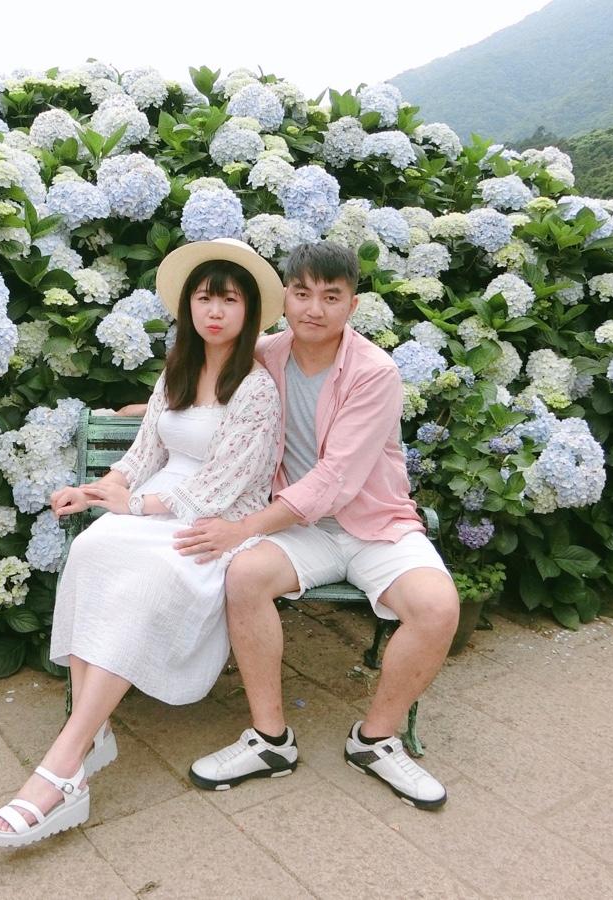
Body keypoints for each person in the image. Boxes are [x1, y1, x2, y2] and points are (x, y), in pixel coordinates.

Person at [0, 238, 285, 848]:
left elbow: (227, 483)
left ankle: (64, 764)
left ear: (250, 311)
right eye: (205, 298)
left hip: (212, 519)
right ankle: (89, 736)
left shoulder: (255, 389)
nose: (215, 311)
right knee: (92, 550)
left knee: (149, 579)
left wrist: (138, 505)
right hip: (155, 502)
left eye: (230, 300)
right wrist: (100, 490)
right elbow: (145, 451)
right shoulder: (178, 368)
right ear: (188, 305)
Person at [176, 241, 459, 809]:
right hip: (302, 531)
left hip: (375, 525)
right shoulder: (265, 354)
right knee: (245, 576)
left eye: (331, 297)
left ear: (352, 304)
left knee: (437, 607)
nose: (314, 309)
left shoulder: (375, 372)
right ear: (284, 297)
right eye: (302, 293)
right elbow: (210, 390)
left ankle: (375, 740)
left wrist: (245, 526)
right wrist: (152, 409)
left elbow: (335, 479)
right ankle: (270, 740)